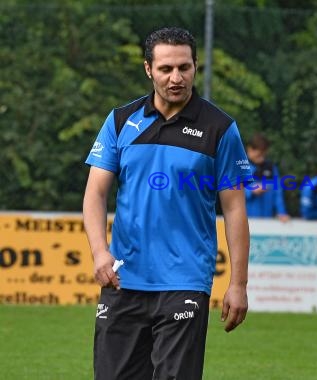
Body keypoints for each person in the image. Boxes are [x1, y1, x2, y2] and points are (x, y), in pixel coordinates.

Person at [82, 27, 251, 380]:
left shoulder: (220, 128)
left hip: (185, 279)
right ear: (148, 69)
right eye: (165, 69)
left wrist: (238, 283)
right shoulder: (119, 121)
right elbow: (95, 193)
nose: (176, 78)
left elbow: (234, 208)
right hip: (124, 278)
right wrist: (100, 252)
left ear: (195, 67)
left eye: (184, 68)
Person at [245, 132, 290, 222]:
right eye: (259, 154)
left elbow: (278, 193)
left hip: (267, 220)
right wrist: (251, 191)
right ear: (249, 149)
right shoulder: (239, 167)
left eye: (263, 153)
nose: (261, 157)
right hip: (246, 220)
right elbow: (231, 192)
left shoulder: (271, 168)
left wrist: (282, 213)